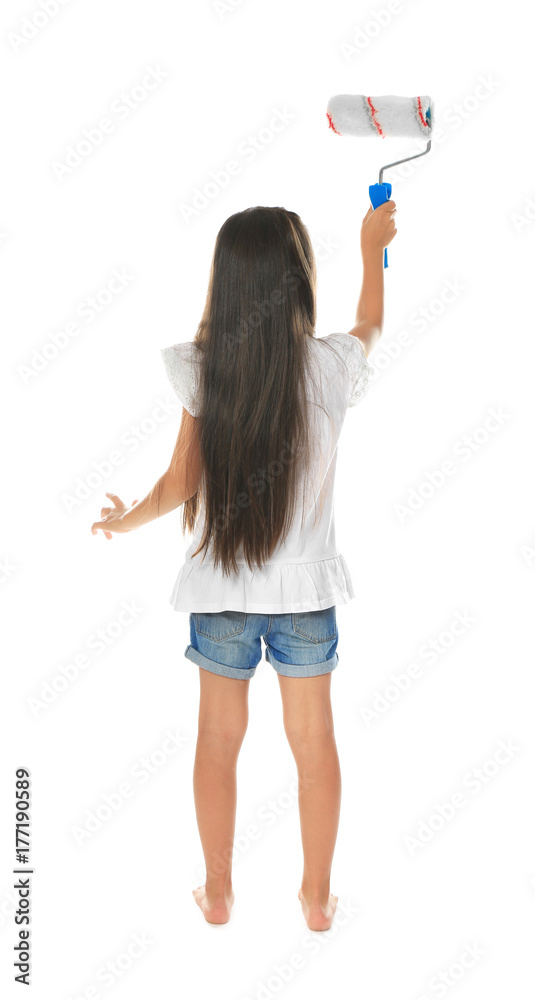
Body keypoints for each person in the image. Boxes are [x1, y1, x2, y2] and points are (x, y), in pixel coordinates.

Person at [91, 200, 397, 931]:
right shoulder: (331, 365)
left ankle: (219, 891)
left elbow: (180, 482)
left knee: (217, 744)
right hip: (305, 596)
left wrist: (126, 518)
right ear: (299, 277)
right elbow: (370, 323)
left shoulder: (205, 370)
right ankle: (316, 900)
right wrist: (371, 248)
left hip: (222, 592)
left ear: (225, 282)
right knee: (314, 747)